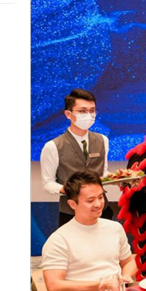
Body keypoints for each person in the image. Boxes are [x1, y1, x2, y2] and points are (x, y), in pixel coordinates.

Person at [41, 171, 136, 291]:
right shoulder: (59, 240)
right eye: (90, 201)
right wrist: (103, 284)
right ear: (72, 204)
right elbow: (55, 288)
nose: (98, 204)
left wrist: (125, 277)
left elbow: (128, 261)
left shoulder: (114, 228)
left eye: (101, 197)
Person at [40, 88, 113, 227]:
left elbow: (103, 173)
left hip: (101, 210)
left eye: (92, 111)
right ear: (68, 114)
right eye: (82, 111)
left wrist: (120, 179)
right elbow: (48, 184)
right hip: (71, 213)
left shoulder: (102, 140)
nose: (89, 115)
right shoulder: (53, 146)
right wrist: (69, 189)